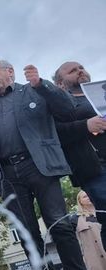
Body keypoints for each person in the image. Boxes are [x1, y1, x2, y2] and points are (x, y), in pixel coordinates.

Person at [0, 60, 106, 270]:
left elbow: (66, 109)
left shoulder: (31, 91)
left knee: (60, 225)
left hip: (39, 166)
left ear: (9, 72)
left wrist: (42, 85)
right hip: (9, 175)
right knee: (28, 235)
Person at [52, 61, 106, 252]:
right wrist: (86, 126)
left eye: (81, 67)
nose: (80, 71)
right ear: (60, 83)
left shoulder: (100, 93)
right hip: (96, 168)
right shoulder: (59, 105)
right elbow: (55, 134)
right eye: (72, 71)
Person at [73, 191, 106, 270]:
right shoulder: (77, 219)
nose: (88, 197)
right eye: (84, 196)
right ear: (80, 201)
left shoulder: (102, 213)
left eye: (89, 195)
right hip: (93, 256)